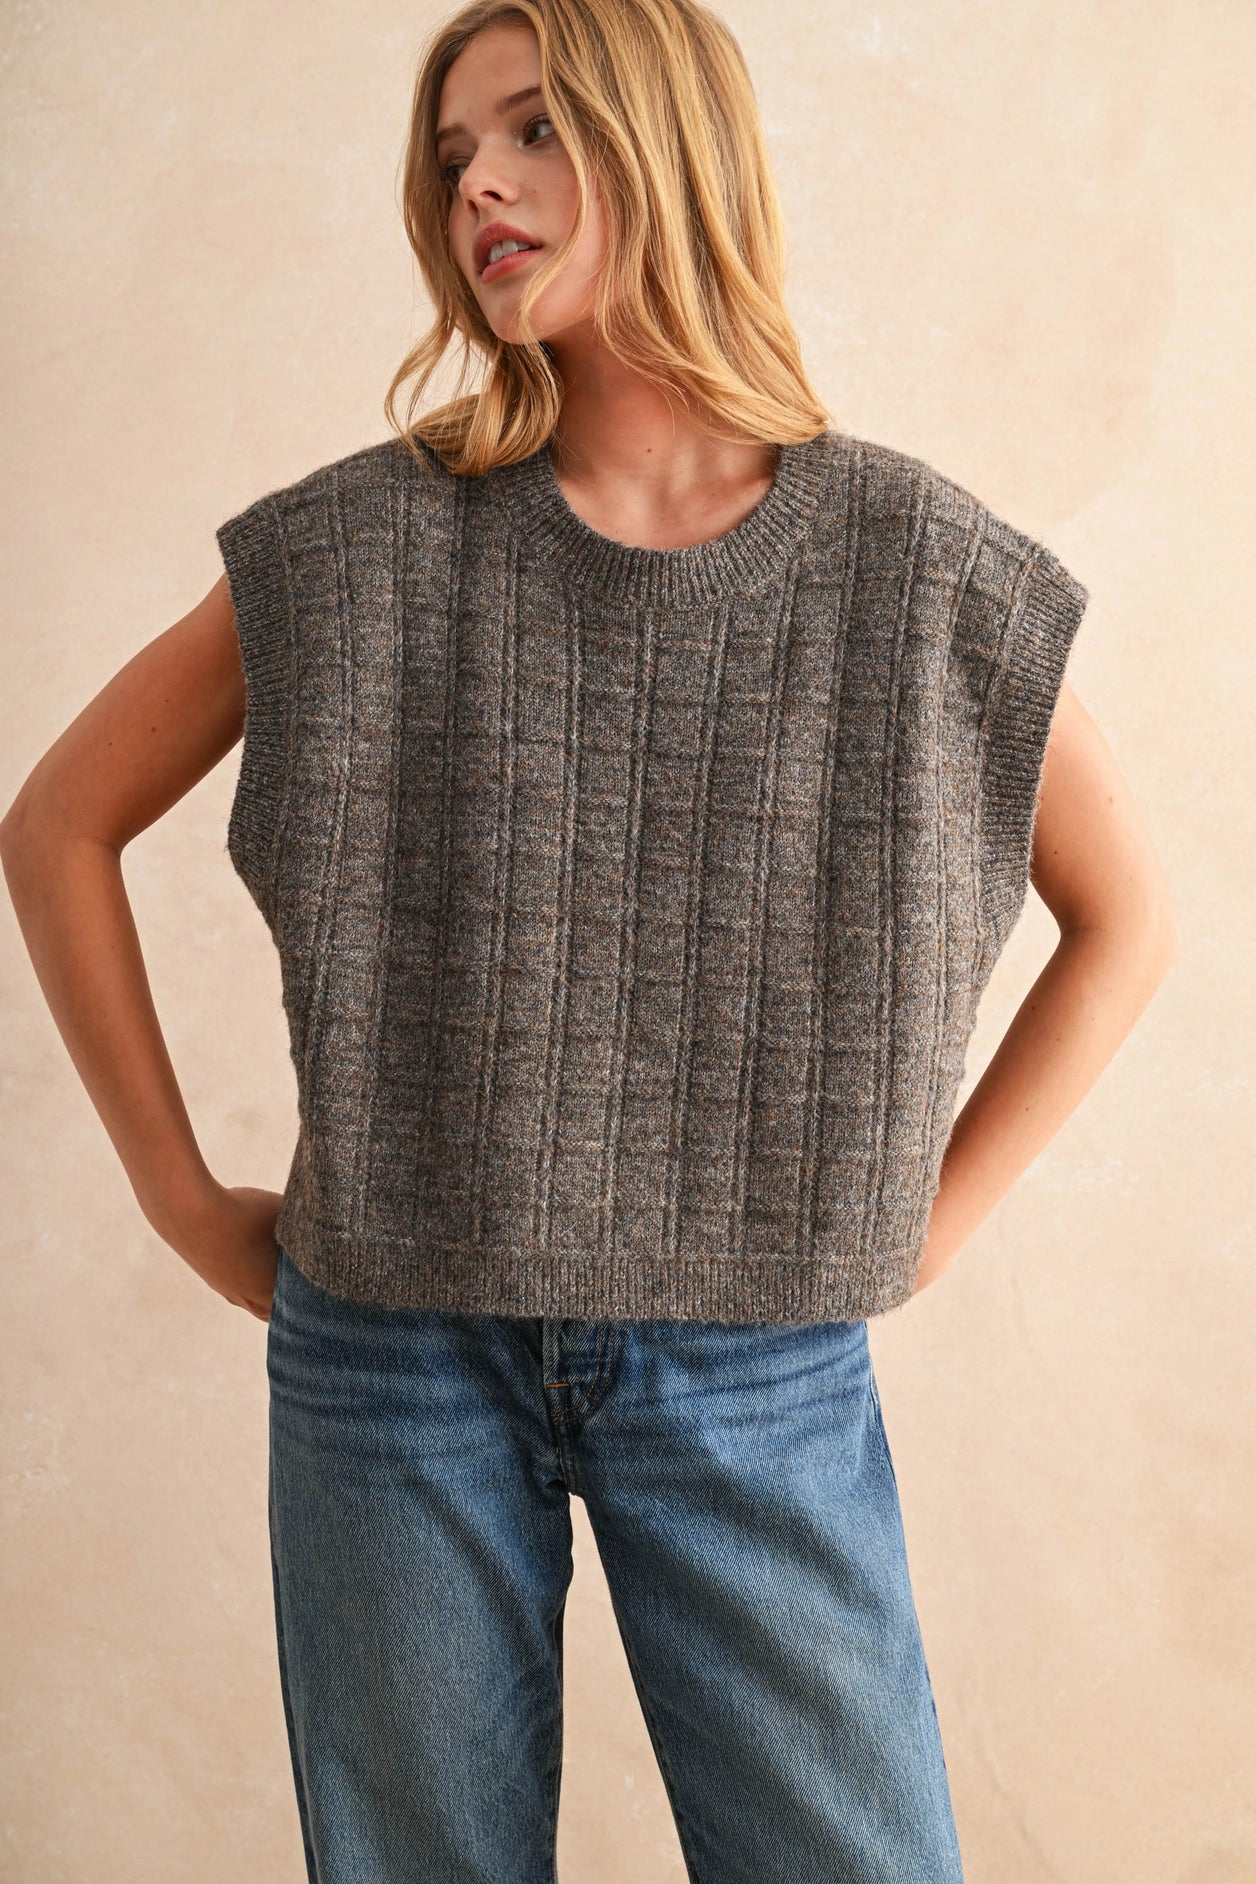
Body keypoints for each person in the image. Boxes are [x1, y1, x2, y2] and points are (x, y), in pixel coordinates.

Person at [1, 1, 1176, 1878]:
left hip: (758, 1357)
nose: (480, 181)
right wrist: (174, 1194)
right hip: (392, 1351)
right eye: (455, 152)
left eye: (537, 128)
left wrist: (923, 1226)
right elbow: (56, 826)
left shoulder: (919, 564)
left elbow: (1130, 918)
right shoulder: (351, 547)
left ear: (674, 147)